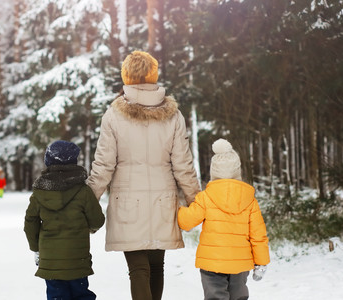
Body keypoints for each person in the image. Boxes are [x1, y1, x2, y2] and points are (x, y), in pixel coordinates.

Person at [86, 50, 201, 300]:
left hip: (128, 203)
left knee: (138, 269)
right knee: (157, 266)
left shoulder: (114, 114)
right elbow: (183, 164)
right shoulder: (173, 115)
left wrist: (85, 202)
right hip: (163, 202)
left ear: (126, 76)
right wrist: (197, 201)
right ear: (153, 75)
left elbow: (103, 165)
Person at [177, 139, 270, 300]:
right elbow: (258, 235)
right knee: (239, 297)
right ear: (237, 171)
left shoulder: (205, 197)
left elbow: (186, 222)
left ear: (215, 172)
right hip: (240, 265)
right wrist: (261, 262)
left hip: (212, 263)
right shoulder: (250, 200)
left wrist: (177, 208)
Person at [24, 140, 106, 300]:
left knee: (57, 296)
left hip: (51, 262)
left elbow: (30, 223)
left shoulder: (39, 193)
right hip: (78, 260)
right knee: (81, 294)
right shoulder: (84, 191)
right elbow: (97, 220)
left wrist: (36, 248)